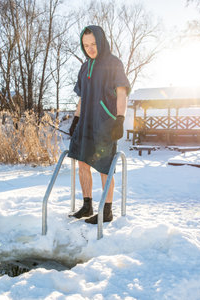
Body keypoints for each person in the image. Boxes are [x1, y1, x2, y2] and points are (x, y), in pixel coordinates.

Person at [68, 25, 130, 224]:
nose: (90, 49)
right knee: (82, 163)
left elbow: (122, 93)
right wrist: (76, 119)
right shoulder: (84, 67)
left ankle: (107, 211)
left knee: (104, 167)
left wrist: (120, 119)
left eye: (93, 44)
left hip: (105, 123)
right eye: (86, 45)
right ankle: (87, 206)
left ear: (101, 42)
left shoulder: (114, 64)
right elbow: (82, 98)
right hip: (85, 123)